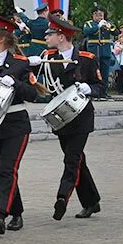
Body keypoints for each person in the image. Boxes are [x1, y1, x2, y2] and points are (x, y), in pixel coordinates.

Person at [0, 12, 39, 235]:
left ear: (1, 37)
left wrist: (15, 84)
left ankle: (0, 213)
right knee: (5, 170)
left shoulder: (20, 63)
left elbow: (33, 94)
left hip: (15, 124)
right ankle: (17, 212)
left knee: (6, 169)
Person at [45, 14, 104, 220]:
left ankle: (62, 197)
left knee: (71, 159)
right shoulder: (49, 58)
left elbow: (100, 87)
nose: (46, 37)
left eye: (50, 34)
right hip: (61, 119)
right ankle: (91, 201)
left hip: (81, 119)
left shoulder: (86, 59)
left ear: (61, 37)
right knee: (79, 160)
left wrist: (88, 88)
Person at [81, 7, 115, 97]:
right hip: (94, 50)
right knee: (94, 72)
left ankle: (104, 92)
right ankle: (94, 91)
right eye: (98, 15)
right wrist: (98, 26)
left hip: (105, 51)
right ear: (94, 15)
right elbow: (87, 31)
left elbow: (116, 32)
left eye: (101, 15)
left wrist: (108, 26)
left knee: (105, 72)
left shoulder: (107, 24)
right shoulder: (89, 23)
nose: (100, 16)